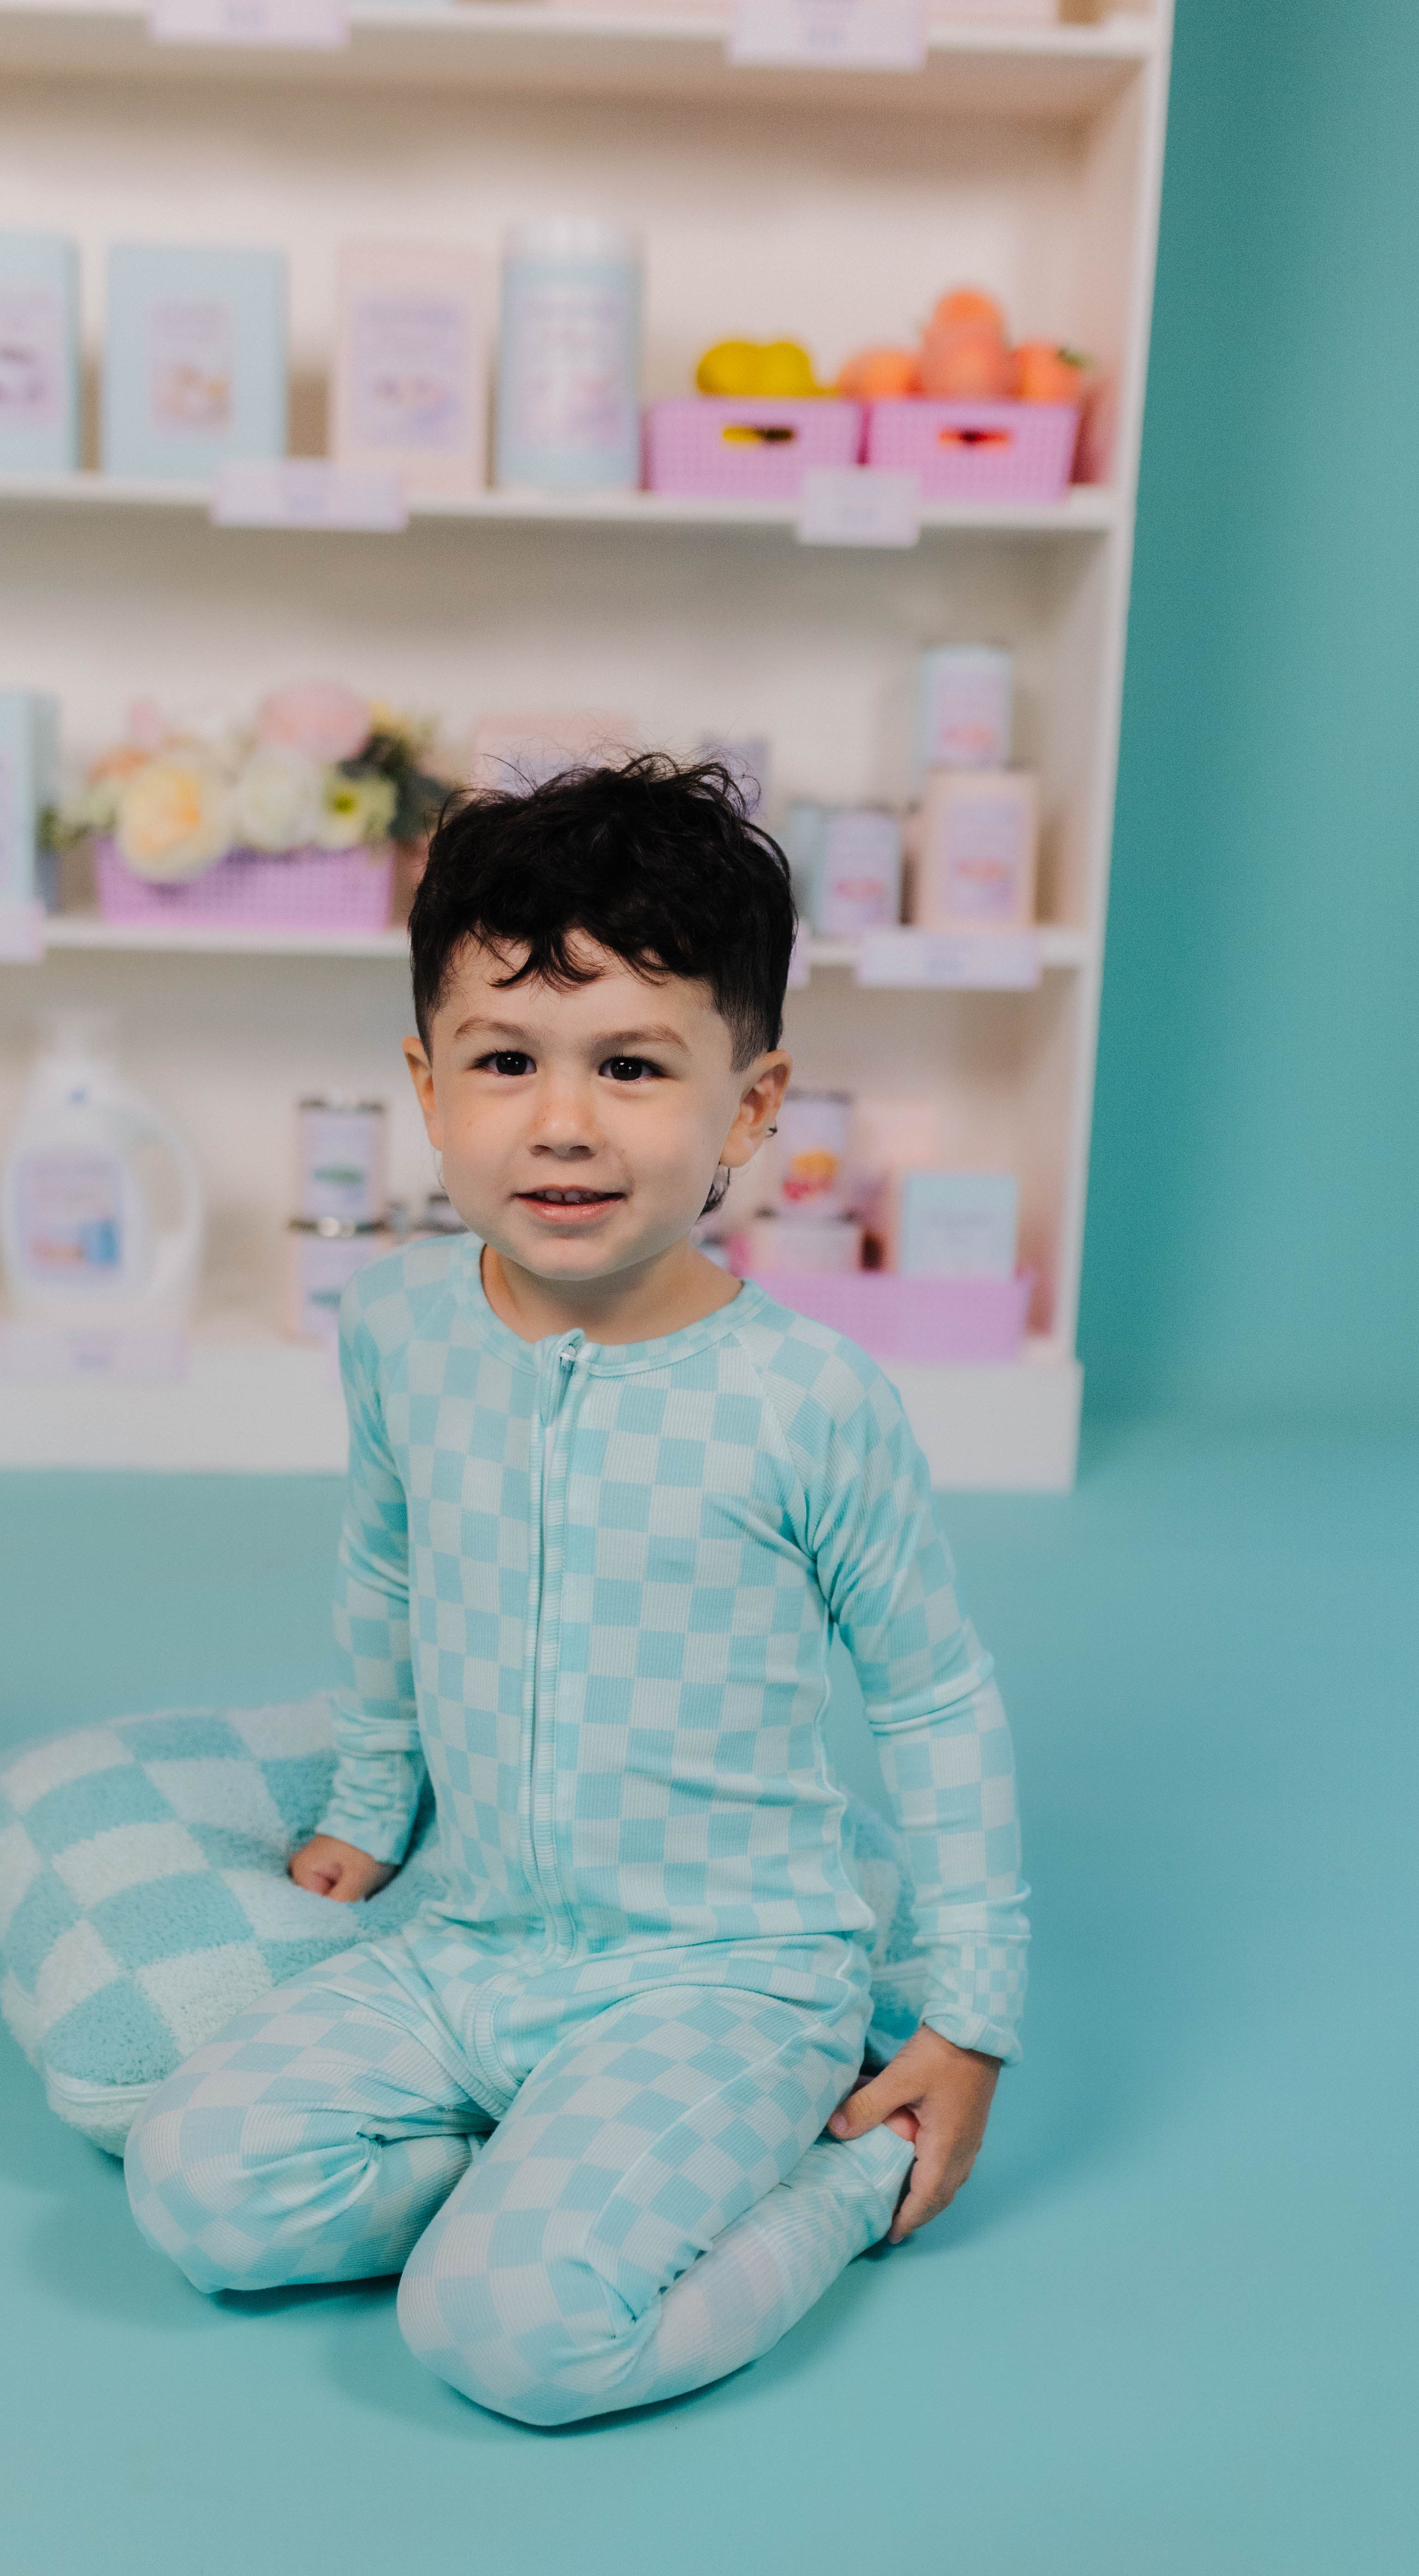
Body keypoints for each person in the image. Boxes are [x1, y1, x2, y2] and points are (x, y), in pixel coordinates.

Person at [124, 756, 1029, 2426]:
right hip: (473, 1947)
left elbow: (934, 1695)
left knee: (516, 2341)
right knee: (195, 2189)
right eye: (505, 1061)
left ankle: (830, 2187)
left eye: (631, 1064)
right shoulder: (401, 1326)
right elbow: (387, 1566)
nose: (561, 1119)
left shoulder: (807, 1403)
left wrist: (970, 2013)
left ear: (749, 1110)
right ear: (426, 1083)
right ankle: (529, 2176)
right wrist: (374, 1800)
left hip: (719, 1971)